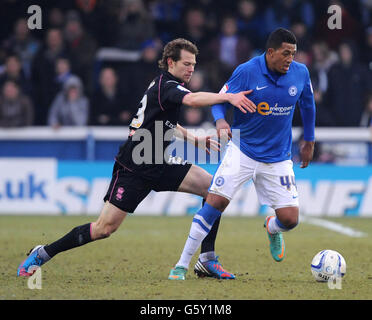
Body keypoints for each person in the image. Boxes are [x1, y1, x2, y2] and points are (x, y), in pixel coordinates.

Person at [17, 38, 255, 280]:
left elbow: (164, 122)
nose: (191, 69)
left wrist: (194, 139)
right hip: (134, 167)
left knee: (212, 190)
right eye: (186, 63)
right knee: (104, 229)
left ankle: (207, 259)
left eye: (193, 64)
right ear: (170, 62)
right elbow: (193, 100)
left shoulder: (166, 86)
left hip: (159, 160)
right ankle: (43, 253)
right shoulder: (167, 86)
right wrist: (227, 98)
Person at [168, 28, 316, 280]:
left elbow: (308, 104)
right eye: (285, 53)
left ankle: (271, 227)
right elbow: (219, 100)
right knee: (215, 203)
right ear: (270, 52)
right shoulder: (247, 71)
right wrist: (220, 122)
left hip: (278, 156)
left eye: (293, 53)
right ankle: (181, 264)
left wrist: (310, 140)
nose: (290, 59)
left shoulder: (300, 73)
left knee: (290, 220)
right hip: (243, 149)